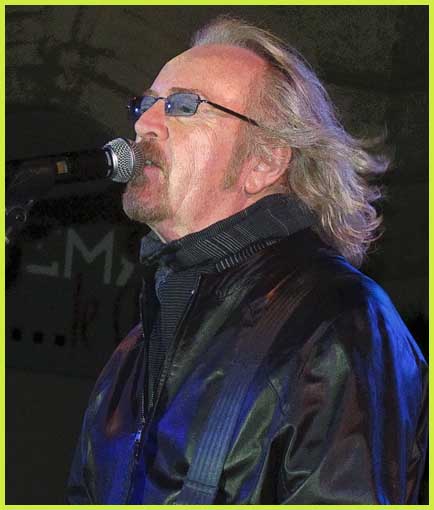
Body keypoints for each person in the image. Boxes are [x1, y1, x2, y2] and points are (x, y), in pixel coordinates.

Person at [67, 16, 427, 504]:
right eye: (147, 103)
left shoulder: (338, 321)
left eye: (182, 105)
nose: (144, 124)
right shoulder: (134, 350)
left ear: (265, 161)